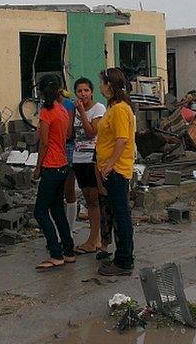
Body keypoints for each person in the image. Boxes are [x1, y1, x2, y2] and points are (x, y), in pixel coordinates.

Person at [96, 68, 136, 276]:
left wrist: (110, 165)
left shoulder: (120, 109)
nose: (100, 86)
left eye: (102, 82)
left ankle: (124, 260)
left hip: (117, 170)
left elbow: (122, 140)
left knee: (121, 215)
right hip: (112, 168)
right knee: (120, 213)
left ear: (109, 85)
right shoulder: (115, 107)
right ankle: (123, 256)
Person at [33, 75, 75, 270]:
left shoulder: (46, 112)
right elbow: (66, 135)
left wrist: (38, 166)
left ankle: (55, 252)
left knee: (40, 211)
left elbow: (44, 142)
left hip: (50, 165)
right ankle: (68, 250)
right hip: (63, 165)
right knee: (57, 210)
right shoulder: (63, 110)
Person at [70, 78, 106, 254]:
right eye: (79, 91)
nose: (82, 94)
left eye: (85, 90)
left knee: (94, 200)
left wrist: (82, 112)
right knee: (89, 200)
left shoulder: (98, 109)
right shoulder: (75, 110)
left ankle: (93, 240)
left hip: (92, 158)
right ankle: (96, 238)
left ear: (91, 92)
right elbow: (71, 134)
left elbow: (92, 132)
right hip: (78, 158)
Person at [58, 90, 78, 233]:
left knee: (68, 190)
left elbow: (69, 132)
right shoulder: (46, 106)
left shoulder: (68, 105)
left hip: (67, 147)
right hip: (56, 148)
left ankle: (69, 230)